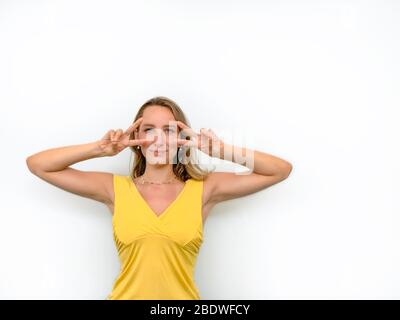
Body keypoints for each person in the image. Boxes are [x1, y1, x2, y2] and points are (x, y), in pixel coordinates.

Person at [26, 96, 293, 300]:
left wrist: (220, 150)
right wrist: (99, 149)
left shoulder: (204, 189)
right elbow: (39, 164)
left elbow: (279, 170)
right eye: (149, 129)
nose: (159, 139)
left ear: (182, 137)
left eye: (169, 130)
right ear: (137, 138)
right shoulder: (114, 189)